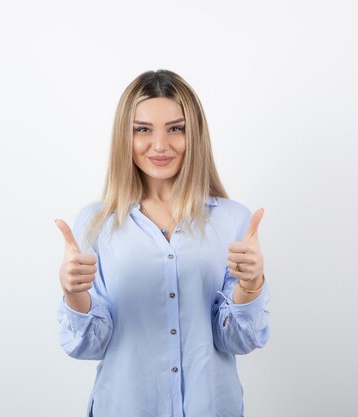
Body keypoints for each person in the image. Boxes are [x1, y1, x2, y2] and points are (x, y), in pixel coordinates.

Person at [54, 69, 270, 417]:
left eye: (175, 128)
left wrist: (251, 285)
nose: (159, 145)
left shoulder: (233, 221)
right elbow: (87, 345)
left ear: (194, 134)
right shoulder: (96, 224)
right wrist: (73, 293)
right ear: (125, 136)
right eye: (142, 129)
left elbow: (237, 341)